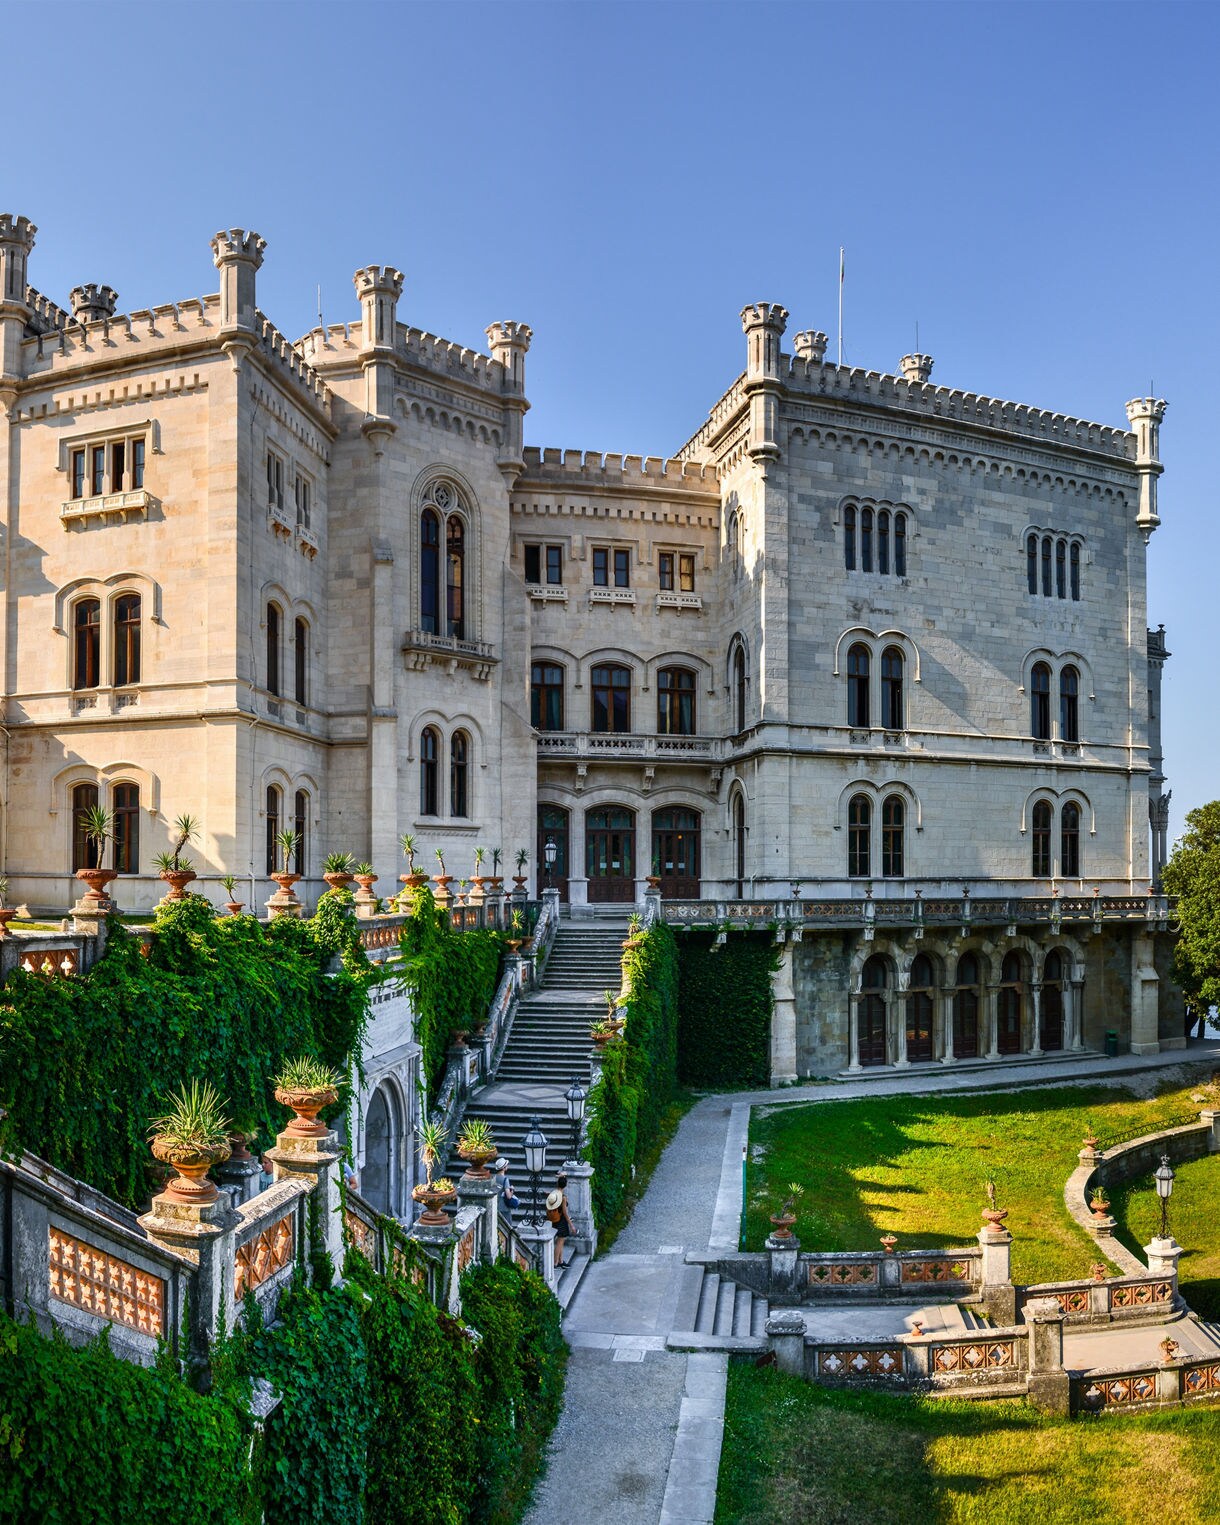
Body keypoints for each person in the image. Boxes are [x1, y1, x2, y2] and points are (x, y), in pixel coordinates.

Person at [494, 1157, 517, 1227]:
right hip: (504, 1207)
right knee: (507, 1227)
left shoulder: (494, 1178)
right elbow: (509, 1196)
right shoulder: (505, 1179)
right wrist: (512, 1190)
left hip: (495, 1206)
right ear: (504, 1168)